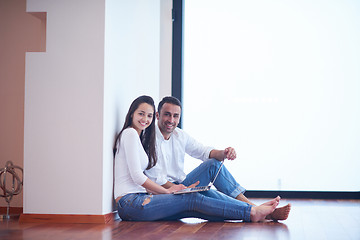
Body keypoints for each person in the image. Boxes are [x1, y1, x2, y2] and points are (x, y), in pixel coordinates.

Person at [114, 95, 282, 222]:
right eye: (166, 115)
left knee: (211, 170)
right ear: (158, 116)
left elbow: (202, 151)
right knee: (198, 197)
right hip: (148, 195)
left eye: (175, 116)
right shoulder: (142, 137)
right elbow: (145, 177)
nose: (171, 120)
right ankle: (253, 212)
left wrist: (224, 152)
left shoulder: (174, 135)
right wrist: (173, 191)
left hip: (156, 193)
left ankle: (253, 209)